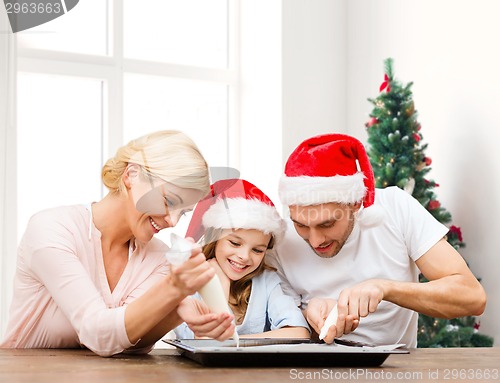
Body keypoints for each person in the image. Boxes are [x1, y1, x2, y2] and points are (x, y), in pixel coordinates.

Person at [0, 130, 235, 356]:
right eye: (169, 200)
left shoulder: (157, 257)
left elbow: (127, 344)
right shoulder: (52, 228)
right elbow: (97, 333)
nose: (173, 221)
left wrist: (175, 311)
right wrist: (172, 291)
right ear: (131, 174)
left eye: (183, 213)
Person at [268, 133, 487, 347]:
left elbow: (471, 297)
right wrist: (309, 316)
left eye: (327, 224)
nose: (315, 241)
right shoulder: (280, 239)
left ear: (355, 203)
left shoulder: (395, 208)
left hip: (395, 371)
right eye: (301, 225)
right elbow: (276, 325)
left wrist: (385, 289)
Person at [174, 179, 310, 339]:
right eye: (235, 243)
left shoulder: (267, 282)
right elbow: (202, 342)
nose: (244, 257)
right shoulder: (188, 283)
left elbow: (299, 333)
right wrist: (220, 289)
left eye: (258, 250)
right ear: (214, 238)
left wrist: (233, 342)